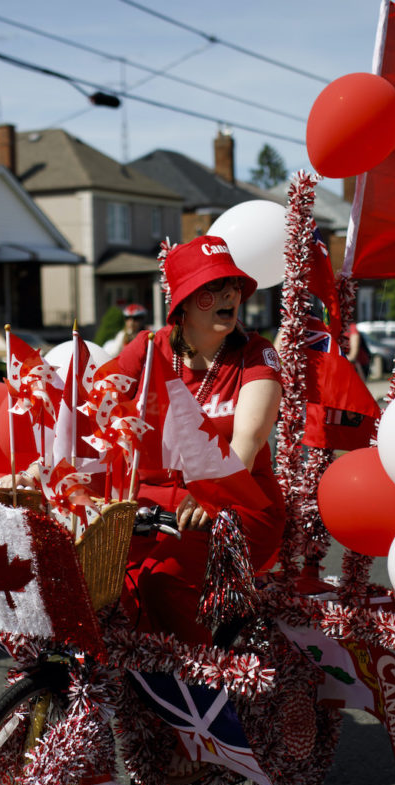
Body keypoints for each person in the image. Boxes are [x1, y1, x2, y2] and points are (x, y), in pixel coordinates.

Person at [113, 235, 285, 645]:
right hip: (154, 502)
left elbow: (250, 436)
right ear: (183, 304)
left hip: (236, 503)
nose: (228, 294)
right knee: (108, 585)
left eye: (232, 286)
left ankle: (205, 687)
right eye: (211, 288)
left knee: (161, 583)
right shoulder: (147, 349)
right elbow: (94, 407)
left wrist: (212, 494)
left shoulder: (256, 355)